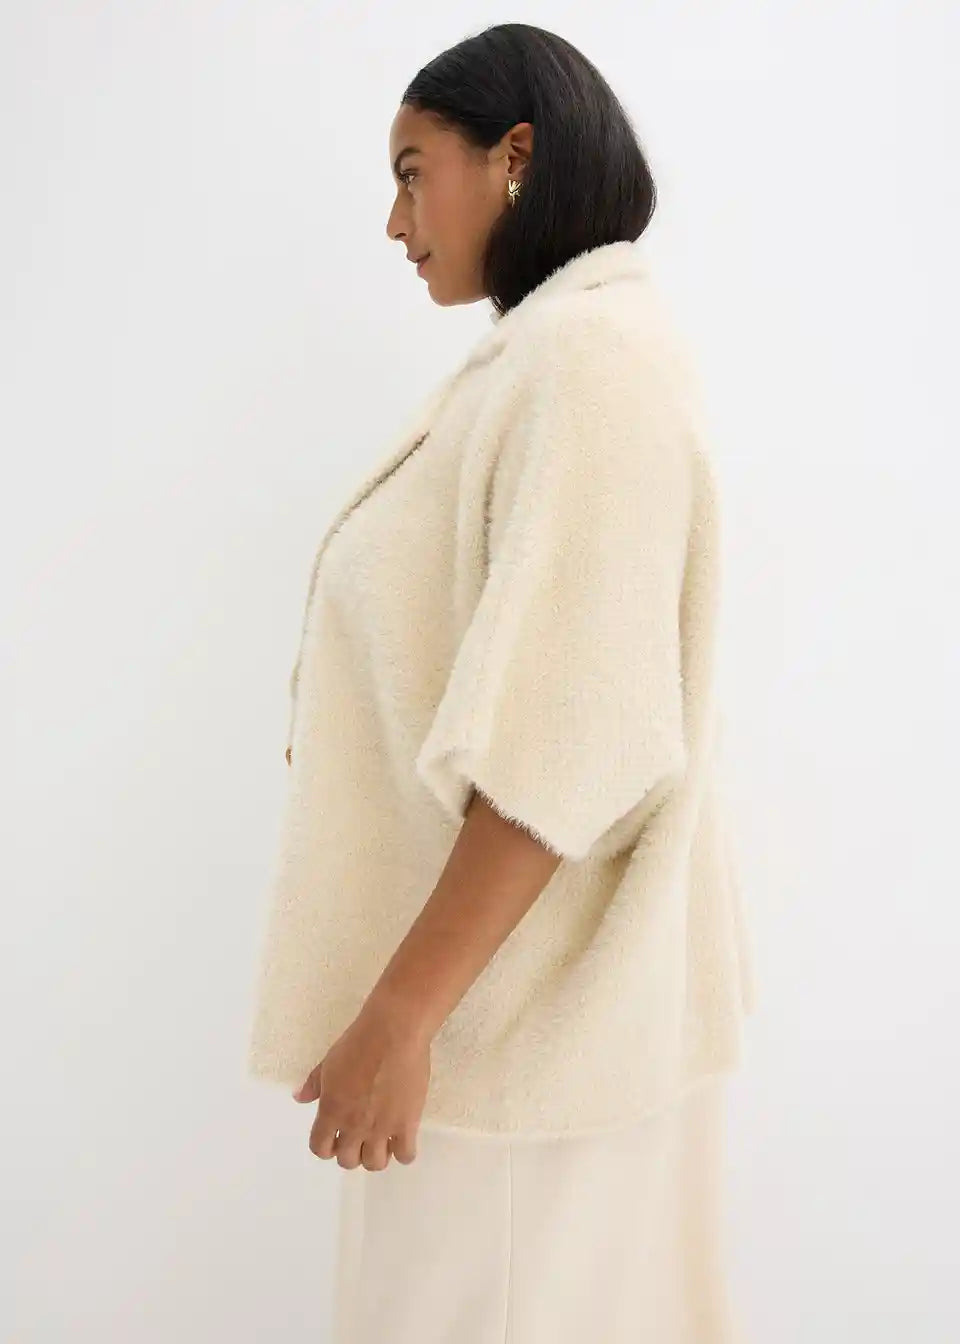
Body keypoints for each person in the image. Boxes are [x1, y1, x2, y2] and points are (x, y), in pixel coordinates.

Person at [247, 21, 755, 1344]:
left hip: (520, 1051)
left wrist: (403, 1016)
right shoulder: (546, 362)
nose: (395, 220)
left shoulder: (589, 367)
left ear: (515, 157)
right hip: (496, 1040)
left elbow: (570, 743)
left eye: (414, 172)